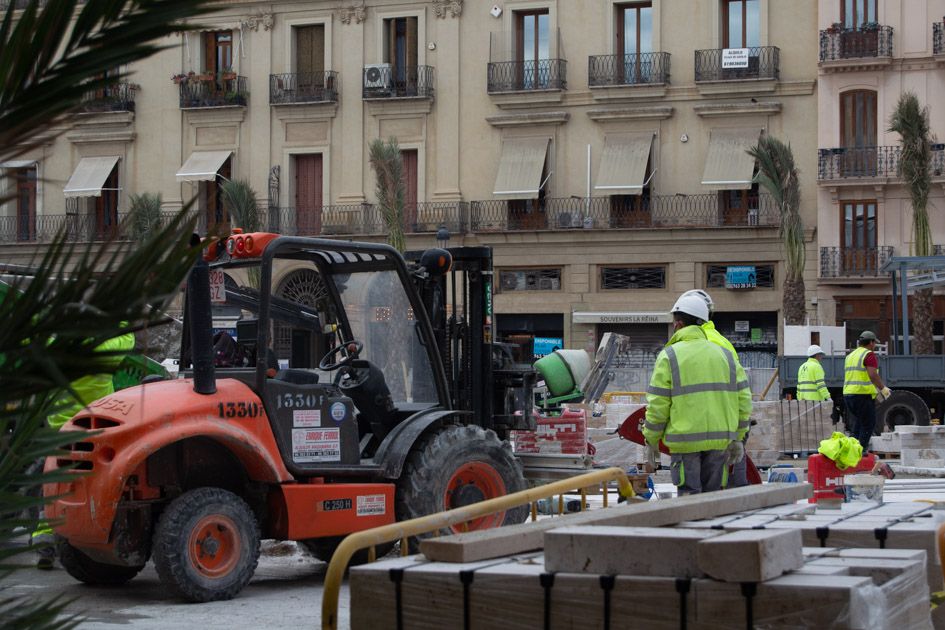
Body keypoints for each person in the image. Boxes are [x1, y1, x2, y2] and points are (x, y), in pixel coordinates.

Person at [32, 327, 136, 569]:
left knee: (53, 483)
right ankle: (92, 536)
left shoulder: (56, 344)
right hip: (95, 429)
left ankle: (44, 538)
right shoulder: (104, 348)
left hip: (60, 428)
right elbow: (127, 336)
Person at [643, 293, 753, 495]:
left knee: (689, 500)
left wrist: (651, 438)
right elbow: (744, 401)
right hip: (720, 442)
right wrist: (738, 437)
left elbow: (658, 405)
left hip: (685, 445)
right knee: (712, 498)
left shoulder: (670, 356)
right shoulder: (725, 354)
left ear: (678, 324)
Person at [680, 289, 750, 487]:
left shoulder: (700, 342)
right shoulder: (720, 339)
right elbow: (741, 389)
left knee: (710, 488)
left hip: (710, 425)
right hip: (727, 421)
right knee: (732, 480)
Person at [843, 330, 891, 453]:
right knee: (868, 423)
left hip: (849, 395)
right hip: (862, 395)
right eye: (874, 343)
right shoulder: (868, 355)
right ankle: (861, 451)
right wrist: (883, 389)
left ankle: (851, 450)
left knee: (858, 423)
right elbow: (872, 375)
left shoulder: (851, 356)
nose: (874, 346)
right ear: (870, 342)